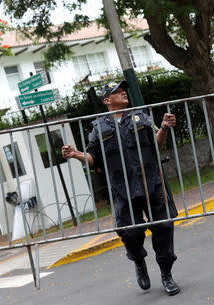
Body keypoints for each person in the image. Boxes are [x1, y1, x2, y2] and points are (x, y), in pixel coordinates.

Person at [61, 80, 180, 296]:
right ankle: (139, 262)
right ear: (107, 101)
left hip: (151, 182)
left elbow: (157, 144)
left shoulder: (140, 116)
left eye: (123, 90)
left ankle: (166, 275)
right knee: (130, 233)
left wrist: (163, 127)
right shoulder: (99, 127)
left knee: (163, 228)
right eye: (117, 92)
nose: (123, 92)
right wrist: (76, 154)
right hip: (122, 189)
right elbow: (93, 158)